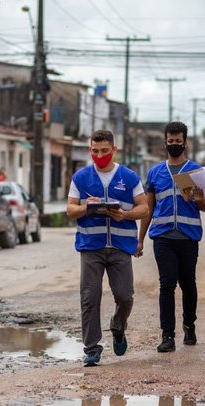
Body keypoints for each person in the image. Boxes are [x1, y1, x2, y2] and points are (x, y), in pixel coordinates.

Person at [67, 129, 149, 366]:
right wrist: (86, 207)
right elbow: (70, 209)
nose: (100, 155)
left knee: (125, 296)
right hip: (91, 246)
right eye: (95, 151)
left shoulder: (129, 177)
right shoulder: (80, 178)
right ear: (90, 150)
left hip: (121, 247)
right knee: (89, 298)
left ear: (114, 149)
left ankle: (118, 326)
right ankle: (92, 348)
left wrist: (125, 214)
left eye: (104, 151)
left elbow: (144, 208)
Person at [137, 121, 205, 353]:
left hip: (188, 237)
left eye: (178, 141)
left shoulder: (196, 171)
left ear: (185, 143)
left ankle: (189, 326)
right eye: (171, 141)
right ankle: (167, 335)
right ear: (165, 142)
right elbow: (148, 208)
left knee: (188, 284)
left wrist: (200, 199)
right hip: (163, 237)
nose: (174, 144)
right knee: (166, 284)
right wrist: (140, 239)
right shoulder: (155, 173)